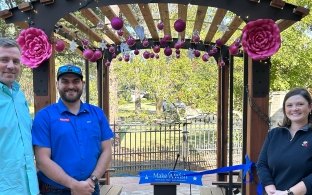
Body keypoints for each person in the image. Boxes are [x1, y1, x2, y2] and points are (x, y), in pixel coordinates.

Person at [32, 64, 114, 195]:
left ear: (83, 84)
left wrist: (92, 181)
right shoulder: (44, 116)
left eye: (76, 81)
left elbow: (107, 150)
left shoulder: (97, 114)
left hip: (90, 188)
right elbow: (42, 160)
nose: (71, 86)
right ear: (57, 84)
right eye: (65, 81)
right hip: (54, 191)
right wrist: (74, 185)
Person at [0, 38, 39, 194]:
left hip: (28, 186)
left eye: (15, 61)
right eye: (4, 60)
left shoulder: (19, 95)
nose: (10, 66)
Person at [257, 87, 312, 195]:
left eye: (300, 104)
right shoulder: (274, 134)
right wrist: (270, 187)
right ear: (284, 109)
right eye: (289, 105)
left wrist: (289, 193)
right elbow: (262, 164)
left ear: (310, 107)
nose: (294, 108)